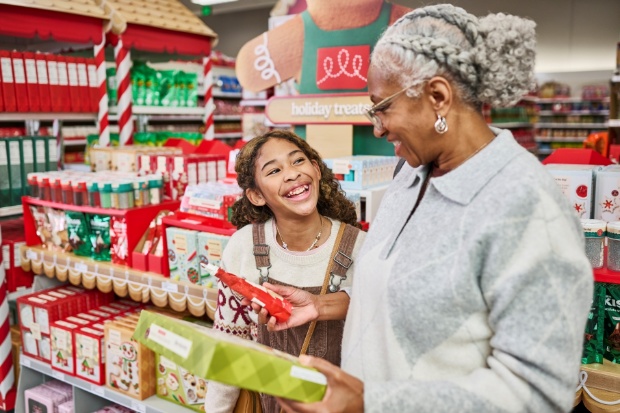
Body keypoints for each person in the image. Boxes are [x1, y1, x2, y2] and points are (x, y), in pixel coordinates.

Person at [258, 4, 593, 412]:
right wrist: (320, 305)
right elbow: (401, 291)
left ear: (437, 96)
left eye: (383, 108)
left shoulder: (527, 208)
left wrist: (369, 403)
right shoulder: (411, 174)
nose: (377, 127)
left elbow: (538, 394)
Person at [203, 130, 366, 413]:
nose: (291, 174)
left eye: (298, 161)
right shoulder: (243, 247)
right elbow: (228, 346)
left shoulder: (359, 247)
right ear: (255, 195)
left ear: (315, 170)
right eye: (275, 170)